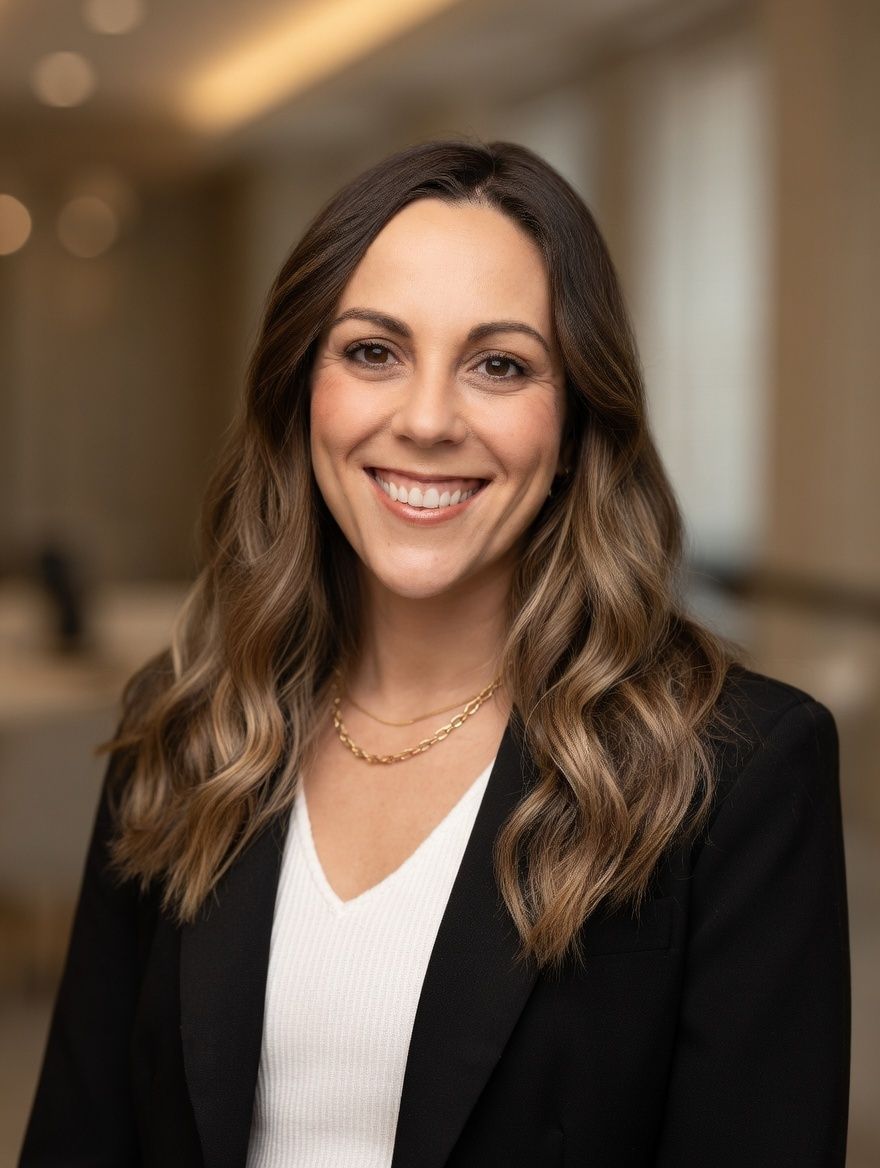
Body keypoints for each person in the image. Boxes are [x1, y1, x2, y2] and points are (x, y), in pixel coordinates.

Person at [19, 139, 850, 1168]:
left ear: (578, 416)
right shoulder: (190, 722)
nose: (424, 419)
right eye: (373, 351)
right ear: (300, 387)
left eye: (498, 365)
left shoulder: (736, 773)